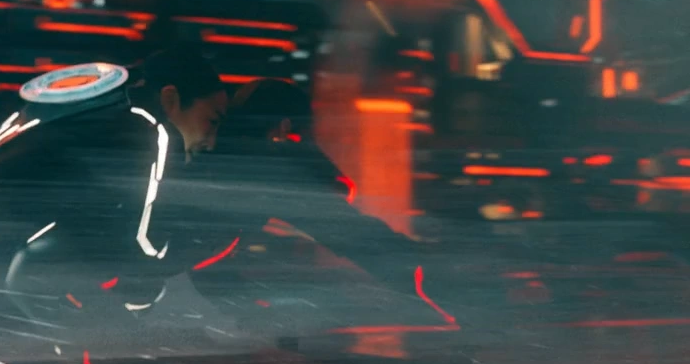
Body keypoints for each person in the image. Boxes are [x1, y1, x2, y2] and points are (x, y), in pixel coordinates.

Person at [0, 49, 229, 335]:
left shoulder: (62, 116)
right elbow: (143, 247)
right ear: (171, 100)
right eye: (211, 121)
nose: (210, 142)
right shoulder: (151, 130)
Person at [165, 78, 468, 327]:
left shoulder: (219, 159)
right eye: (303, 135)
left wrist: (248, 309)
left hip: (162, 298)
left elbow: (203, 260)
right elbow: (358, 236)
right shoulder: (266, 168)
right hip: (167, 304)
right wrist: (449, 288)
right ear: (284, 129)